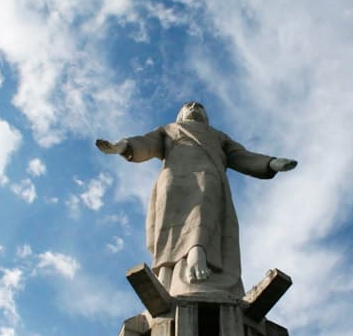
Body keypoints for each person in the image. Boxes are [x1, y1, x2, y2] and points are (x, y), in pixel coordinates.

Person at [96, 102, 297, 296]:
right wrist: (121, 146)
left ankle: (197, 251)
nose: (193, 108)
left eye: (199, 106)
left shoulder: (218, 136)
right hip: (173, 176)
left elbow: (241, 155)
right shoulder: (169, 129)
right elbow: (146, 143)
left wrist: (269, 163)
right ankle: (167, 275)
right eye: (188, 106)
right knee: (168, 222)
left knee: (203, 208)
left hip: (207, 172)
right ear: (180, 114)